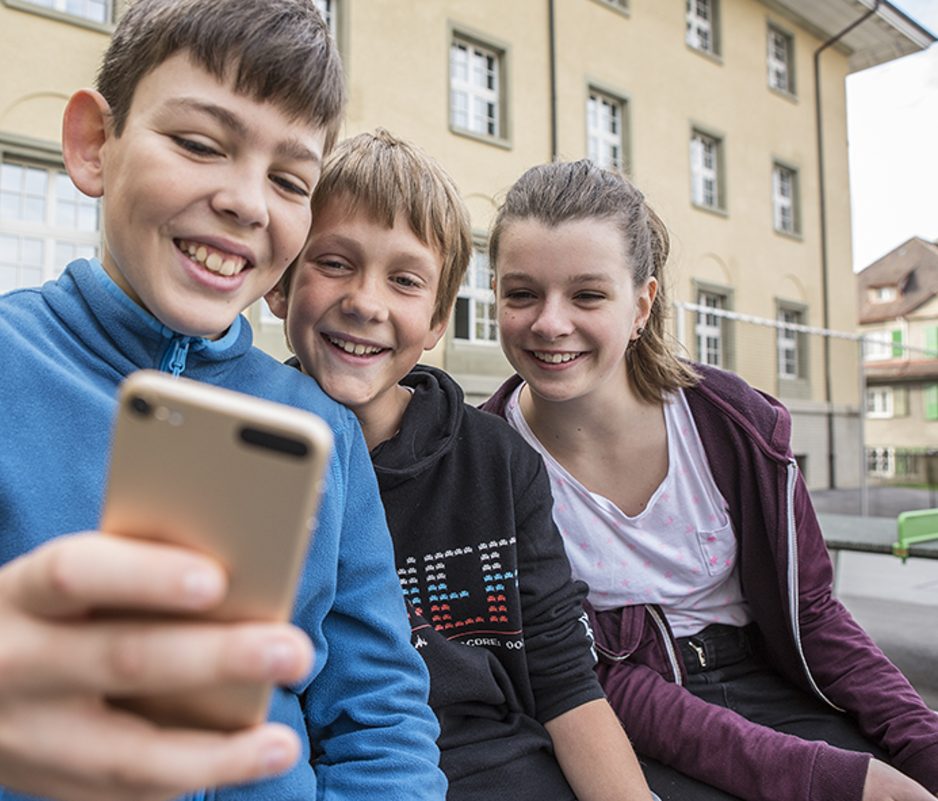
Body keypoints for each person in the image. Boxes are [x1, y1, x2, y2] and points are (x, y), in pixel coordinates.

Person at [0, 2, 448, 799]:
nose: (247, 201)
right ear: (95, 145)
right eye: (200, 144)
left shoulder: (323, 436)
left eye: (290, 179)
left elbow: (383, 715)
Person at [478, 159, 938, 801]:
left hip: (772, 682)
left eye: (588, 295)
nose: (550, 322)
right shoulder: (487, 464)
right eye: (521, 294)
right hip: (629, 723)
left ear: (642, 304)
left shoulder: (733, 422)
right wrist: (822, 777)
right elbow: (586, 680)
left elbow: (814, 615)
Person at [264, 129, 654, 800]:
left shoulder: (500, 464)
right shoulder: (245, 448)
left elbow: (564, 681)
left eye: (405, 279)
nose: (366, 301)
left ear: (440, 317)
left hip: (501, 770)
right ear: (279, 285)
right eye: (333, 262)